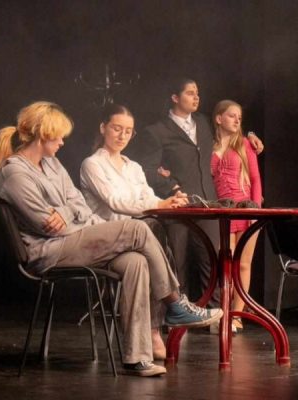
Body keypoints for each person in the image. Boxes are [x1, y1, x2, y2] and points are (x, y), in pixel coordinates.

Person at [0, 101, 223, 377]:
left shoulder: (52, 164)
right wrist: (68, 213)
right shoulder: (15, 173)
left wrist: (63, 212)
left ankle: (137, 358)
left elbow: (78, 205)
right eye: (58, 136)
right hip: (48, 251)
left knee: (135, 262)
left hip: (73, 239)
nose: (62, 142)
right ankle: (175, 303)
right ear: (43, 134)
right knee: (138, 229)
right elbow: (47, 226)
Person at [132, 78, 264, 307]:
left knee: (212, 262)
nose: (196, 97)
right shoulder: (157, 131)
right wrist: (171, 186)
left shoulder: (203, 123)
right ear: (175, 98)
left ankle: (212, 314)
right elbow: (148, 170)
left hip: (208, 204)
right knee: (178, 262)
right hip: (179, 206)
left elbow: (228, 128)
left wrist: (250, 135)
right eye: (190, 93)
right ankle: (177, 314)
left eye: (197, 93)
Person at [79, 103, 188, 360]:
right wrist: (158, 205)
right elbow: (115, 202)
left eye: (128, 131)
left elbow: (147, 198)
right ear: (103, 128)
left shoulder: (134, 167)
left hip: (136, 240)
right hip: (106, 238)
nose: (122, 136)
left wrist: (168, 202)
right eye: (117, 129)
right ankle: (171, 309)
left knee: (153, 233)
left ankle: (155, 327)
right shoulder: (92, 164)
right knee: (151, 229)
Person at [209, 100, 262, 333]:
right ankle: (224, 312)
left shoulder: (244, 144)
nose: (237, 120)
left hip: (245, 208)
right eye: (232, 116)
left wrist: (255, 211)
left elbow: (256, 179)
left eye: (239, 117)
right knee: (225, 264)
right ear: (219, 118)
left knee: (243, 264)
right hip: (222, 211)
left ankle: (237, 316)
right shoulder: (208, 145)